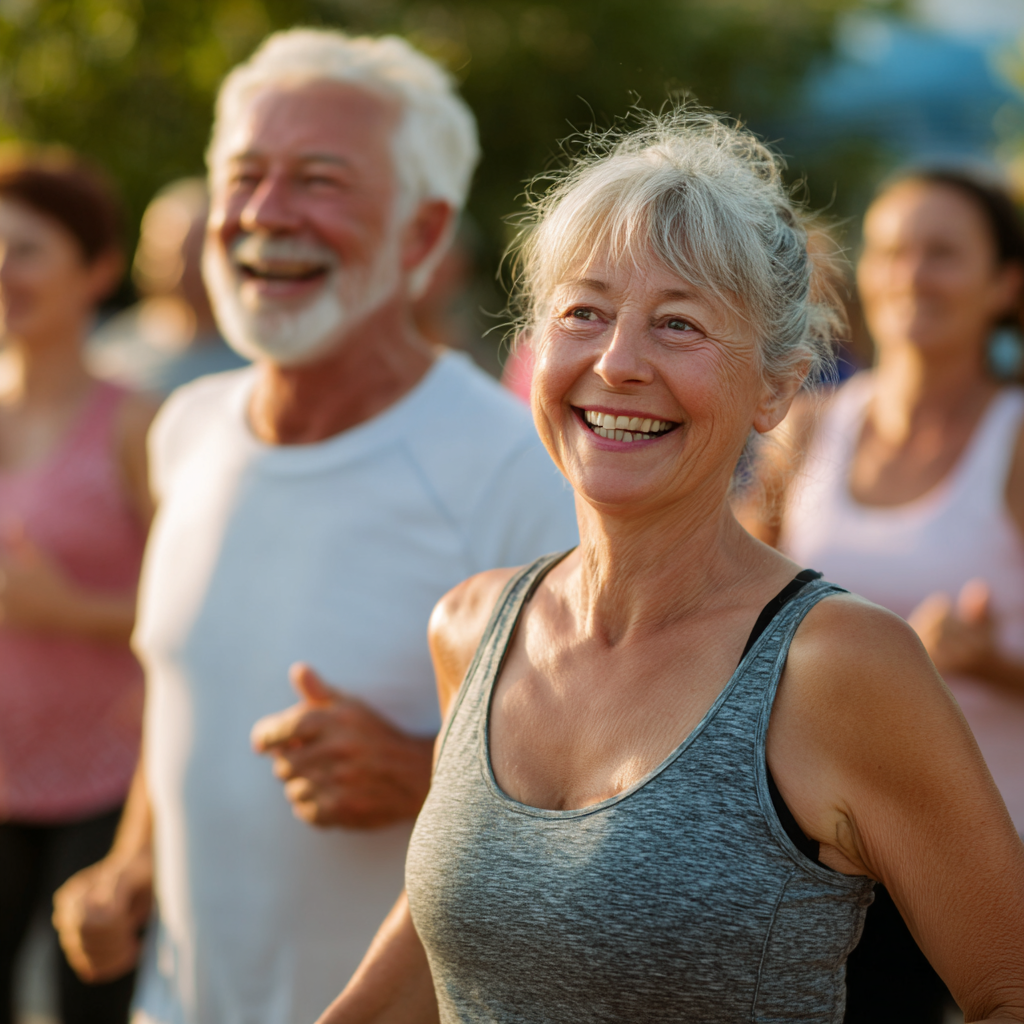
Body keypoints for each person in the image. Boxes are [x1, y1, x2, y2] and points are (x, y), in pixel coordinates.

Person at [316, 112, 1024, 1024]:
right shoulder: (472, 626)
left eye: (679, 325)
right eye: (585, 313)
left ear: (775, 387)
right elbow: (457, 939)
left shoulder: (840, 665)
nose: (617, 363)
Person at [51, 28, 578, 1024]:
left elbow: (616, 806)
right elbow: (186, 695)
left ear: (422, 238)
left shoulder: (515, 469)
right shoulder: (186, 429)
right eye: (244, 174)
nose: (264, 214)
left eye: (320, 180)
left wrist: (431, 779)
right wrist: (129, 867)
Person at [738, 168, 1024, 1022]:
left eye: (943, 253)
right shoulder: (811, 428)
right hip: (824, 856)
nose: (911, 275)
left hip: (990, 854)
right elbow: (729, 615)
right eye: (894, 250)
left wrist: (987, 664)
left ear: (1005, 284)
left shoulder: (1015, 442)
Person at [0, 149, 156, 1024]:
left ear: (97, 270)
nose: (0, 270)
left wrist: (69, 612)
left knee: (87, 1008)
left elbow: (193, 614)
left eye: (26, 249)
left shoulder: (135, 425)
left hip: (107, 784)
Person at [87, 177, 248, 394]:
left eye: (198, 252)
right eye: (172, 250)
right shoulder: (109, 356)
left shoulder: (261, 353)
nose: (184, 268)